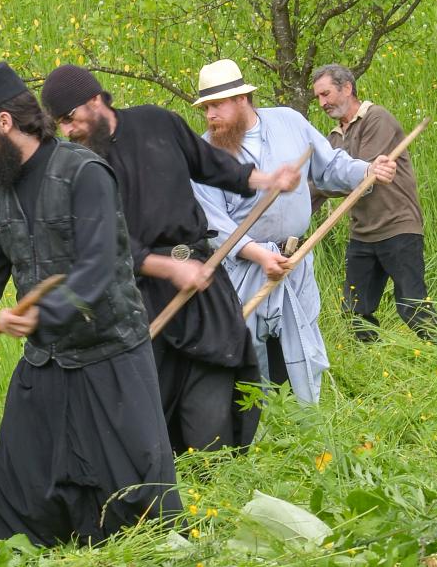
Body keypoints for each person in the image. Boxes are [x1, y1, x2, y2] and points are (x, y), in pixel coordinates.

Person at [0, 62, 181, 549]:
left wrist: (43, 312)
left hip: (112, 360)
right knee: (20, 500)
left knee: (139, 504)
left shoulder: (84, 173)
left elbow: (99, 267)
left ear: (3, 121)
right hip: (46, 363)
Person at [38, 64, 303, 454]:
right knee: (150, 411)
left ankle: (215, 476)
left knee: (213, 397)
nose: (67, 130)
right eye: (60, 123)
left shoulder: (157, 122)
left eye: (69, 118)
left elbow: (211, 165)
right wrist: (166, 268)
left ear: (95, 100)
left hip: (202, 285)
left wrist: (268, 180)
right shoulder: (77, 166)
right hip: (138, 298)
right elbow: (100, 242)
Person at [189, 59, 397, 403]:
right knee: (249, 352)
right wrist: (259, 255)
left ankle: (306, 419)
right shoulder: (204, 153)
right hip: (244, 267)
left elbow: (330, 165)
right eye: (206, 108)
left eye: (217, 105)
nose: (210, 115)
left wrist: (366, 170)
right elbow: (214, 222)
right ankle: (261, 425)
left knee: (300, 347)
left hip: (294, 259)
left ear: (242, 99)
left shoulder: (289, 122)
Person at [311, 64, 437, 343]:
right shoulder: (333, 138)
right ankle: (373, 361)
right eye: (318, 97)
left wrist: (326, 181)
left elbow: (362, 175)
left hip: (397, 227)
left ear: (347, 88)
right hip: (362, 234)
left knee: (412, 306)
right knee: (355, 311)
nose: (321, 103)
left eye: (326, 94)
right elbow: (320, 182)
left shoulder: (377, 119)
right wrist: (292, 208)